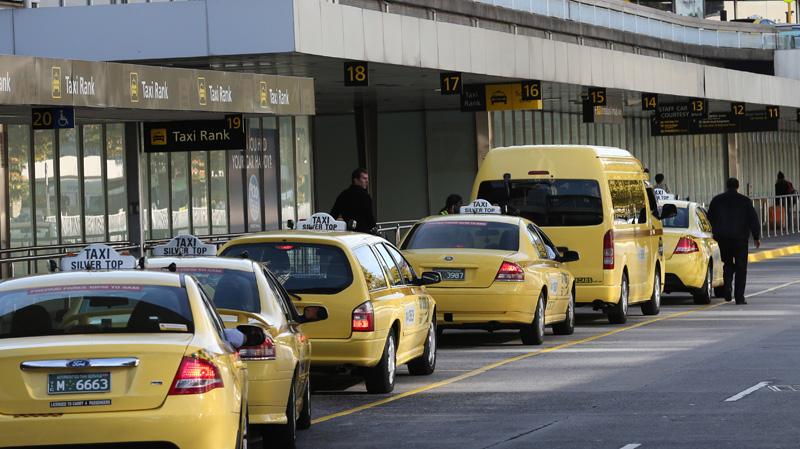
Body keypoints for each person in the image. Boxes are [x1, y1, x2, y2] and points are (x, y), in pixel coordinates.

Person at [707, 178, 761, 305]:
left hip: (722, 238)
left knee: (727, 263)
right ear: (738, 186)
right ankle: (739, 297)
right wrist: (756, 237)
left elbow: (709, 219)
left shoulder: (716, 200)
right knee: (741, 267)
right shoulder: (745, 201)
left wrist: (713, 234)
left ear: (726, 186)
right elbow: (753, 219)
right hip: (740, 239)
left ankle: (727, 287)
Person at [330, 168, 377, 234]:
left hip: (347, 233)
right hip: (363, 233)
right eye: (364, 178)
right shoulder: (365, 196)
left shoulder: (343, 194)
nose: (367, 181)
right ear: (356, 180)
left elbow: (334, 213)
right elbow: (369, 216)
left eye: (367, 178)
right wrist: (374, 229)